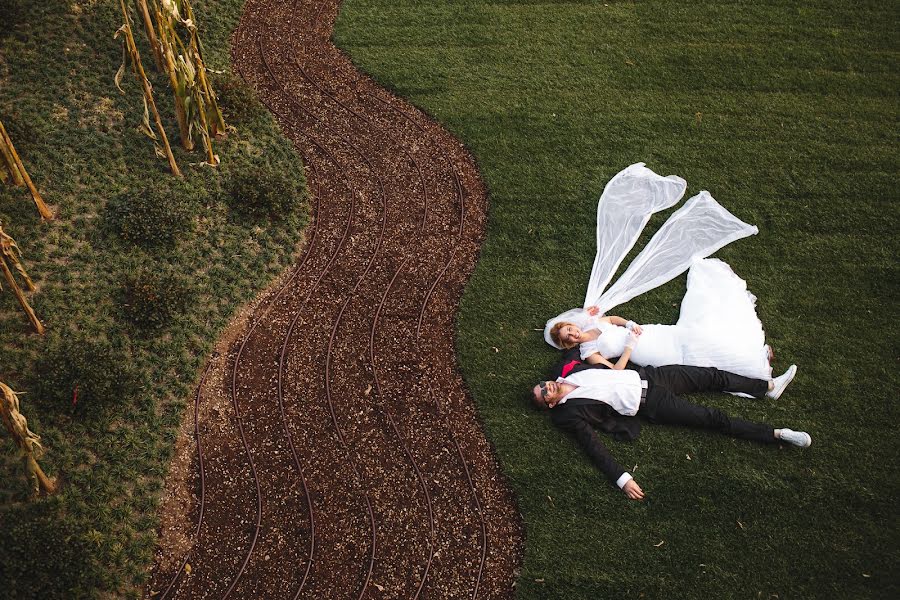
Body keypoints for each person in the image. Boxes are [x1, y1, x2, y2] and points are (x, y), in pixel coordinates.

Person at [532, 361, 809, 501]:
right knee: (713, 418)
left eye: (542, 385)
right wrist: (622, 479)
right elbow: (591, 446)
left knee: (712, 376)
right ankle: (775, 434)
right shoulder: (568, 414)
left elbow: (574, 338)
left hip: (651, 376)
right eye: (543, 395)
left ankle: (768, 388)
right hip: (652, 403)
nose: (546, 388)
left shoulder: (566, 370)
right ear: (551, 404)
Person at [547, 259, 775, 380]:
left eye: (570, 328)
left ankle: (753, 352)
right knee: (692, 356)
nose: (573, 332)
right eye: (569, 336)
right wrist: (629, 347)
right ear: (569, 343)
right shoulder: (589, 353)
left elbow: (613, 319)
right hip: (644, 350)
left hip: (652, 332)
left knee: (696, 335)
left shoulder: (594, 322)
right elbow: (615, 372)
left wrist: (628, 324)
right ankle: (756, 368)